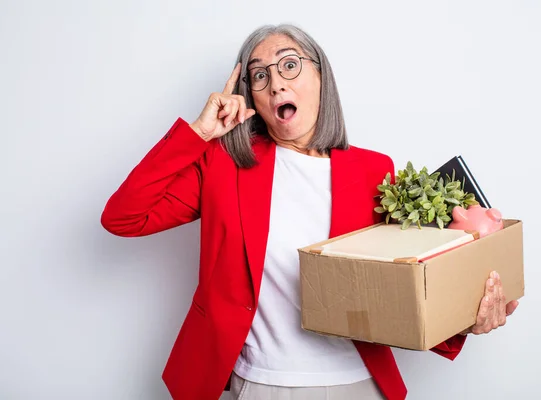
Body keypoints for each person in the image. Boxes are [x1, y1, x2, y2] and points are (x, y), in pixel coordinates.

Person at [101, 24, 519, 400]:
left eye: (289, 66)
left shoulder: (375, 170)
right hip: (259, 384)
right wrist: (198, 134)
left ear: (321, 77)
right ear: (251, 97)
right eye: (259, 74)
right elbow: (123, 217)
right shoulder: (225, 165)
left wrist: (467, 318)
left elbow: (404, 286)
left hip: (358, 383)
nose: (275, 82)